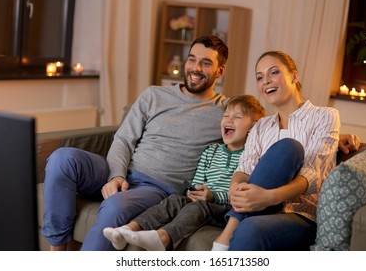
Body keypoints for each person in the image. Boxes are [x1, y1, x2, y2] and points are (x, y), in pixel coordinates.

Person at [41, 35, 229, 251]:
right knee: (62, 159)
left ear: (220, 71)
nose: (195, 68)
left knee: (115, 206)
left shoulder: (224, 111)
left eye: (206, 63)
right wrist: (117, 175)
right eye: (192, 59)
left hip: (156, 188)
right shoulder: (154, 95)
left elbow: (257, 122)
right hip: (121, 171)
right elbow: (123, 139)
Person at [211, 50, 350, 251]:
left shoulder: (325, 116)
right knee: (247, 221)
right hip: (257, 209)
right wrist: (235, 190)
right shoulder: (260, 126)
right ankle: (233, 226)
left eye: (273, 73)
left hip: (301, 216)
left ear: (294, 76)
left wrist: (270, 197)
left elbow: (313, 175)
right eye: (260, 77)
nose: (266, 81)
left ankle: (229, 231)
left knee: (288, 148)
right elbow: (244, 169)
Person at [102, 95, 266, 251]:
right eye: (226, 115)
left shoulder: (250, 159)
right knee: (174, 200)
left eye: (237, 117)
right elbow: (197, 181)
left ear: (253, 127)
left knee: (200, 207)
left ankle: (163, 238)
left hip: (224, 209)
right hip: (202, 200)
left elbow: (242, 194)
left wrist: (213, 196)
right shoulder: (211, 151)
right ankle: (127, 230)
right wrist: (195, 192)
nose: (228, 119)